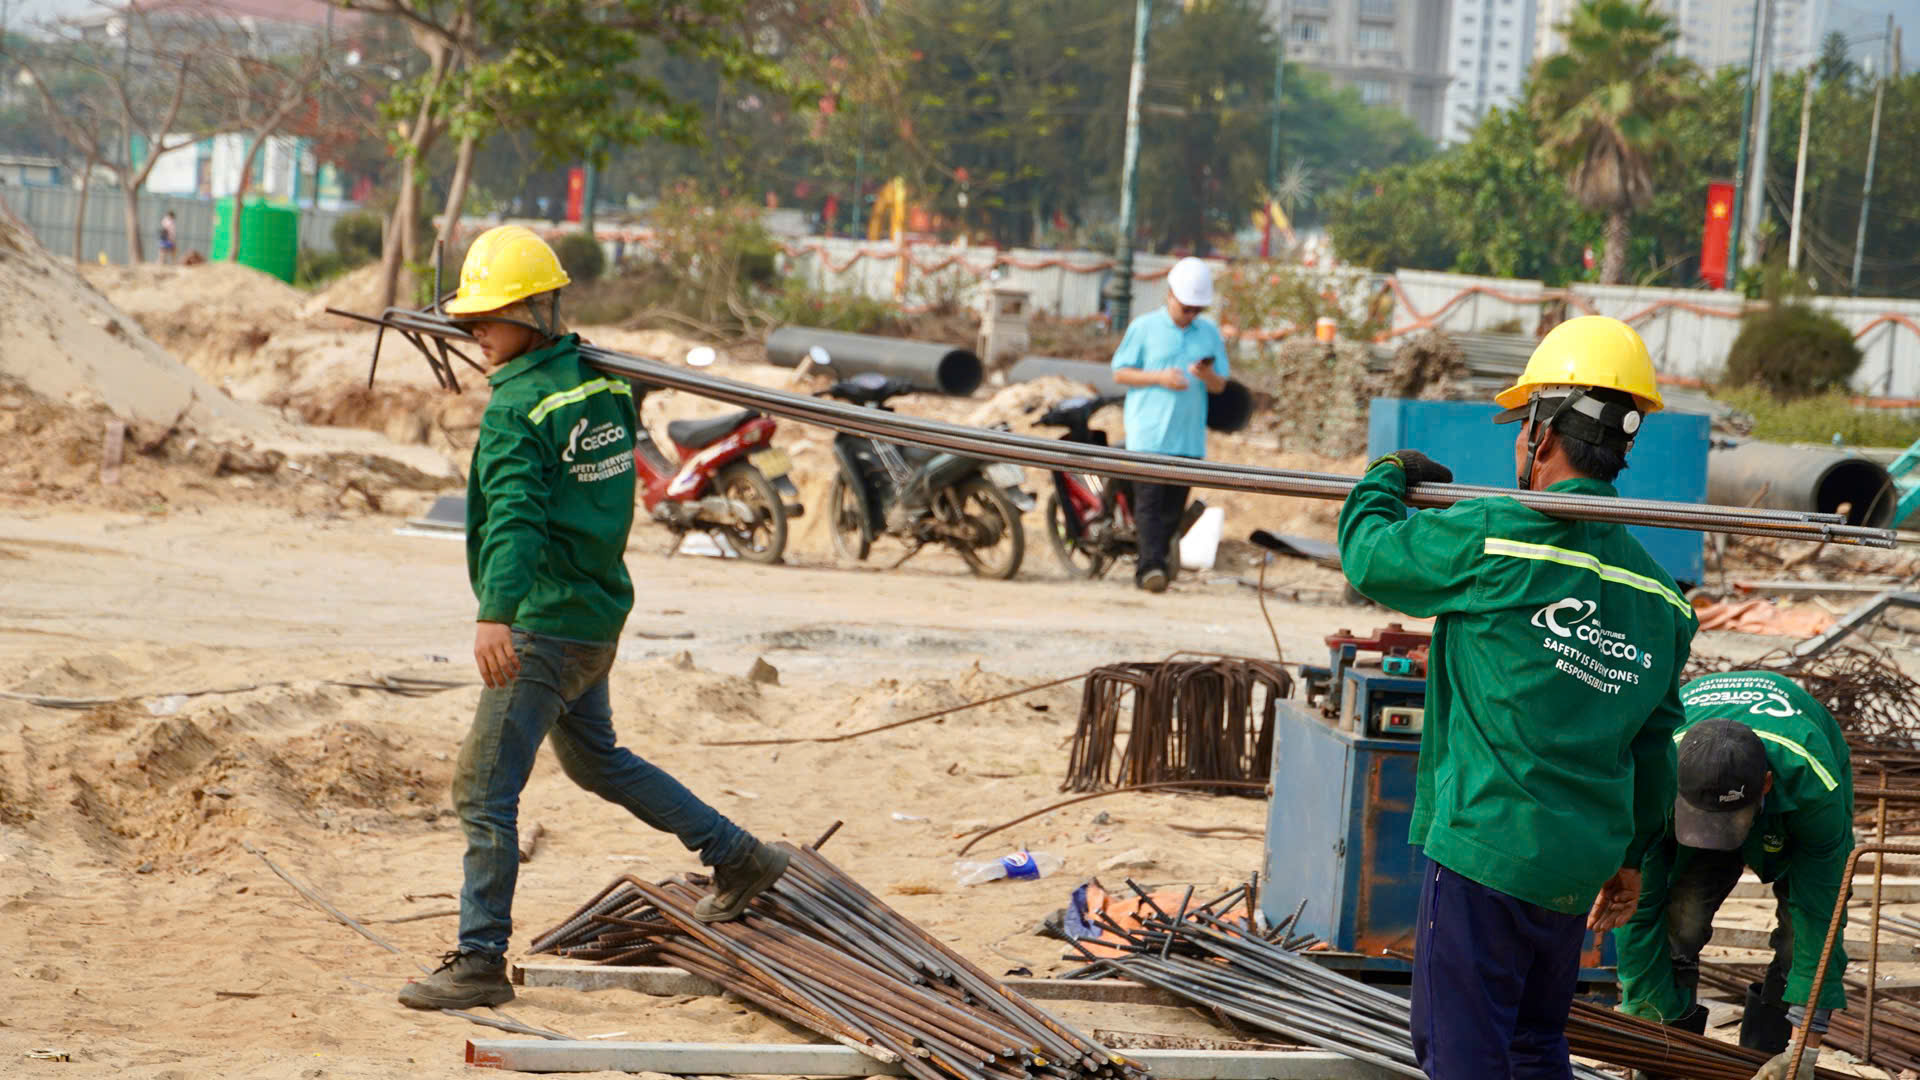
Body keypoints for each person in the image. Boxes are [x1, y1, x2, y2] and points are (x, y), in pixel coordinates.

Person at [397, 225, 788, 1011]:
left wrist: (495, 615)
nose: (475, 334)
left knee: (482, 791)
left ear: (536, 314)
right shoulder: (602, 385)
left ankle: (479, 960)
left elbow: (515, 520)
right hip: (595, 614)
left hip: (541, 622)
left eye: (489, 319)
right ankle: (737, 855)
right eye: (470, 320)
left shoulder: (516, 409)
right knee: (595, 760)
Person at [1335, 315, 1699, 1079]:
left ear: (1542, 433)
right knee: (1534, 1046)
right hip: (1574, 867)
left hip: (1485, 852)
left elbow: (1370, 557)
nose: (1515, 445)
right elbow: (1653, 749)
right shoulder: (1662, 598)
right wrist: (1630, 859)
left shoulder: (1496, 536)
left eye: (1520, 426)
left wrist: (1385, 477)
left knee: (1462, 1053)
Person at [1613, 670, 1853, 1080]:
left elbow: (1821, 915)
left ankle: (1770, 1054)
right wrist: (1645, 1025)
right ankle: (1673, 1046)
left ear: (1766, 785)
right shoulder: (1654, 773)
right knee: (1680, 921)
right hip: (1685, 796)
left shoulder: (1815, 785)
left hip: (1794, 799)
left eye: (1725, 824)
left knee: (1799, 935)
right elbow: (1638, 905)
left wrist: (1804, 1050)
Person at [1109, 257, 1228, 593]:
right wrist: (1159, 378)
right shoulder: (1143, 328)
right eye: (1186, 307)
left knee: (1172, 512)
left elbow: (1221, 386)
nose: (1190, 315)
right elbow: (1120, 372)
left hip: (1188, 439)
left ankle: (1158, 562)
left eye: (1196, 310)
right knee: (1147, 505)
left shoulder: (1209, 334)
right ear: (1170, 295)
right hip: (1148, 434)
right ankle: (1149, 569)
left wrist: (1207, 376)